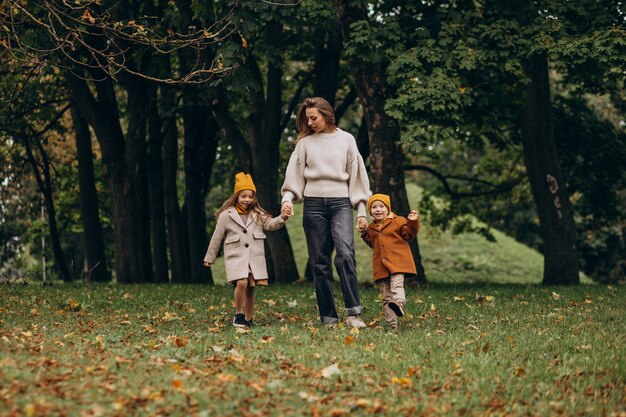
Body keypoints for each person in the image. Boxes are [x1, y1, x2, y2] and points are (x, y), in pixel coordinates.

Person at [281, 97, 371, 328]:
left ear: (326, 115)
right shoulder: (304, 144)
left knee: (345, 253)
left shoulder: (346, 140)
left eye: (314, 118)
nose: (310, 123)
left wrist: (361, 210)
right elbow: (294, 175)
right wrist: (288, 199)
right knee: (319, 262)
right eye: (307, 119)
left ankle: (353, 313)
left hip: (340, 203)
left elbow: (358, 177)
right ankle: (328, 316)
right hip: (313, 205)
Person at [204, 172, 291, 328]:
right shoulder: (226, 215)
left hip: (253, 257)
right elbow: (216, 237)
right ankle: (238, 314)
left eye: (250, 196)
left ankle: (249, 319)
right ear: (237, 196)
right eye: (243, 196)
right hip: (235, 256)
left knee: (251, 287)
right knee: (242, 282)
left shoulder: (257, 214)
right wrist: (210, 257)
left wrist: (282, 217)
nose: (247, 200)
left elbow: (271, 224)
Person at [359, 194, 420, 331]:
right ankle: (393, 325)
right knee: (386, 296)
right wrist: (364, 232)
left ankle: (399, 303)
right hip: (380, 266)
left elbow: (408, 234)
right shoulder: (371, 228)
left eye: (381, 206)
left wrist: (413, 222)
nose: (378, 209)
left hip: (398, 262)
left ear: (388, 209)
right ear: (370, 211)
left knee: (396, 285)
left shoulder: (398, 221)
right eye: (374, 207)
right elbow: (372, 243)